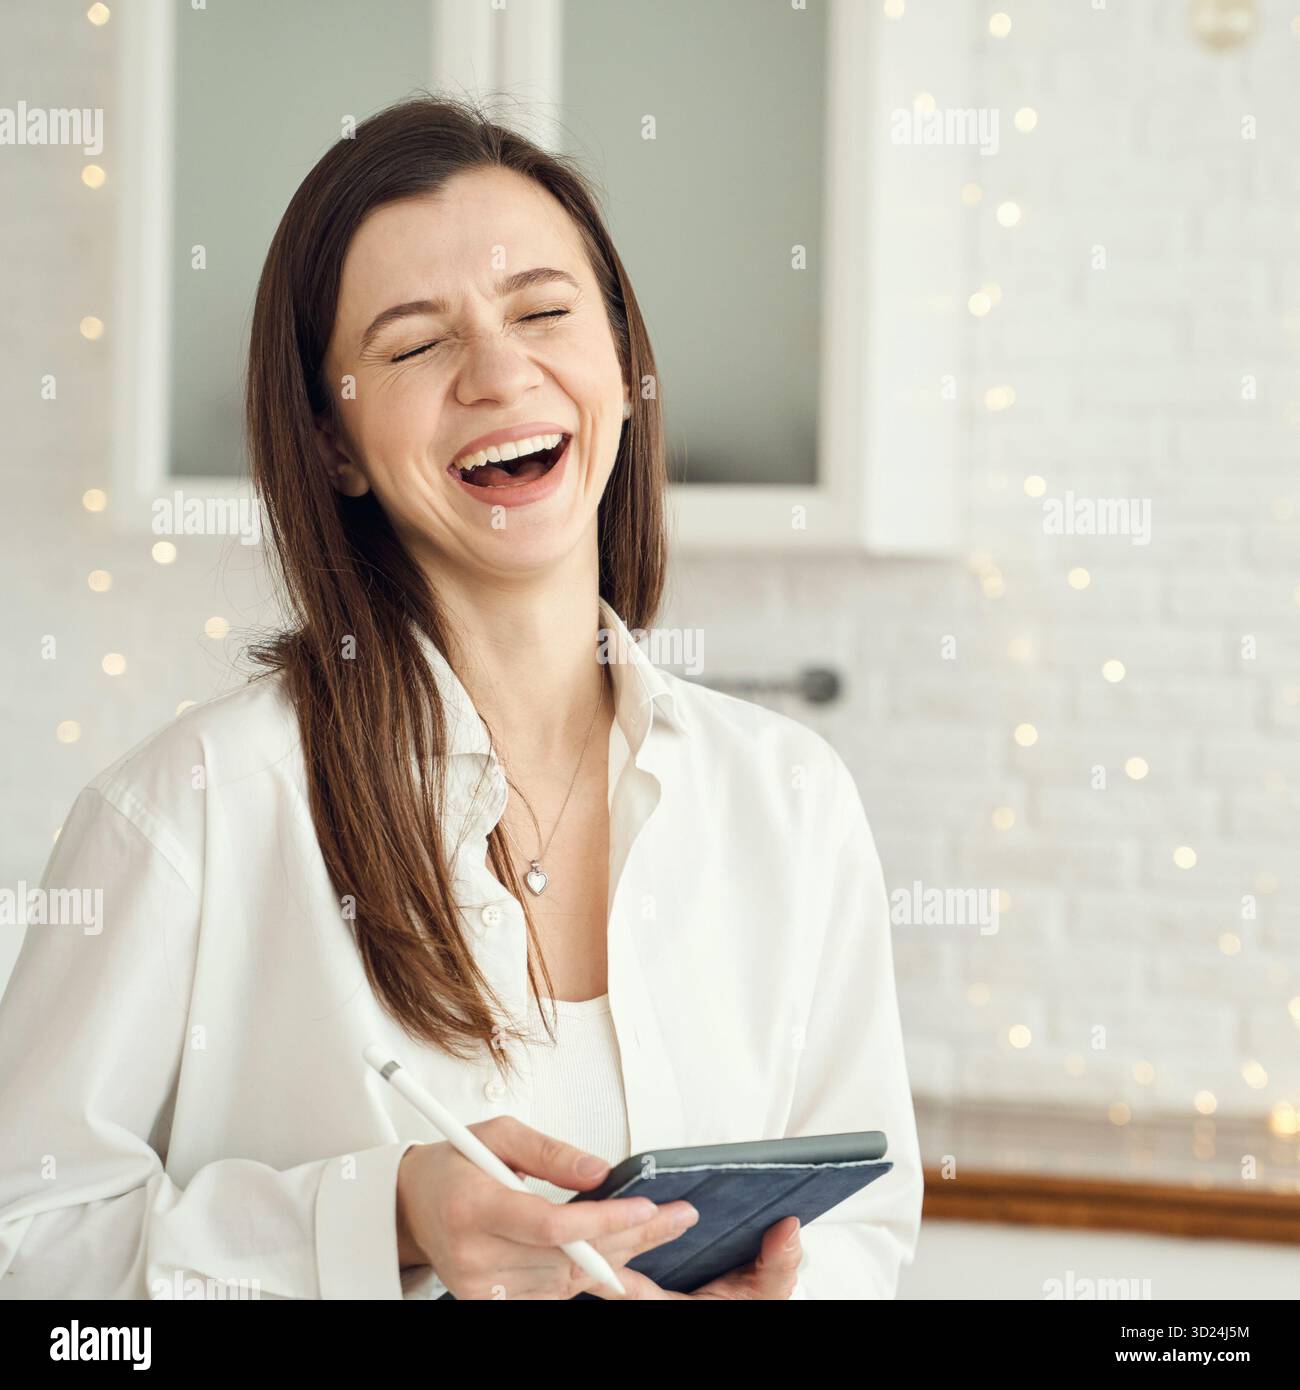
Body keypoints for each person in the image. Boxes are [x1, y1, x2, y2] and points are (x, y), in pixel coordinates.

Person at [0, 95, 922, 1300]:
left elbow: (867, 1230)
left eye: (545, 312)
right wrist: (380, 1219)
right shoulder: (194, 810)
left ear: (621, 365)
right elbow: (27, 1257)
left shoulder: (791, 800)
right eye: (414, 343)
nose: (499, 371)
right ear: (333, 441)